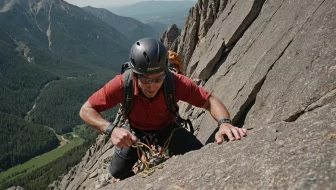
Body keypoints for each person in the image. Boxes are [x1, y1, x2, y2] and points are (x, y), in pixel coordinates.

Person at [79, 38, 247, 180]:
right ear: (135, 74)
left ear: (165, 72)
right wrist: (111, 130)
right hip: (135, 132)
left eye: (158, 79)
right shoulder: (123, 83)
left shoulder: (175, 82)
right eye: (145, 80)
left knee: (200, 156)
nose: (152, 86)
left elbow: (209, 101)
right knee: (117, 171)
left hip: (168, 128)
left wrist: (224, 123)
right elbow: (86, 110)